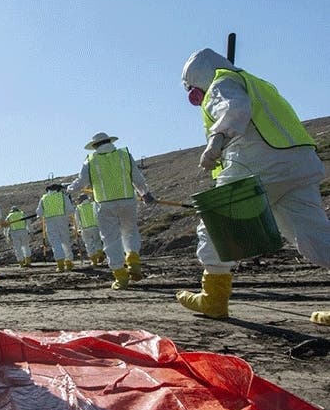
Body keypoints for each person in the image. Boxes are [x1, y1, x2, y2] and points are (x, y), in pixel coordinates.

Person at [176, 48, 330, 320]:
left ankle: (213, 298)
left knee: (216, 223)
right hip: (298, 163)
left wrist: (216, 141)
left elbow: (235, 108)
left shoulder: (221, 84)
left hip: (256, 161)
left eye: (193, 91)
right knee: (315, 235)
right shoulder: (257, 83)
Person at [67, 132, 155, 289]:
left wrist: (69, 188)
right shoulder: (124, 155)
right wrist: (145, 193)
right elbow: (137, 178)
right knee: (130, 231)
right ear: (109, 141)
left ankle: (120, 276)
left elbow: (81, 183)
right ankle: (133, 261)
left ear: (94, 146)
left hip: (105, 204)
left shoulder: (91, 161)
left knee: (111, 239)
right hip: (128, 200)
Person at [36, 184, 76, 271]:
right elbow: (70, 209)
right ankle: (68, 262)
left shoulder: (44, 198)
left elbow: (39, 213)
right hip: (62, 221)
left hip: (50, 222)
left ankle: (60, 264)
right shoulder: (63, 197)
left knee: (56, 243)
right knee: (65, 241)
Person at [74, 195, 105, 265]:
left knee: (89, 244)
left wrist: (78, 229)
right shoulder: (93, 204)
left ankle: (94, 261)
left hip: (85, 229)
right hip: (95, 227)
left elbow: (77, 220)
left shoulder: (78, 208)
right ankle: (100, 255)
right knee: (97, 242)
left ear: (81, 200)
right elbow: (98, 215)